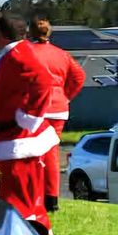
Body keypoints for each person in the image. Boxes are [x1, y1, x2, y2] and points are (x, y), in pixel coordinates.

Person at [0, 14, 59, 235]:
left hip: (19, 143)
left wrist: (28, 115)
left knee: (24, 210)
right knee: (23, 208)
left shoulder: (18, 53)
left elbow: (44, 81)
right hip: (13, 142)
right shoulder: (14, 53)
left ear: (0, 33)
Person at [29, 16, 86, 214]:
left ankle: (35, 196)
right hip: (59, 109)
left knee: (32, 153)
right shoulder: (62, 54)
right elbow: (79, 76)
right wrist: (65, 95)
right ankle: (52, 199)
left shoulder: (28, 53)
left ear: (31, 32)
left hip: (36, 109)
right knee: (52, 153)